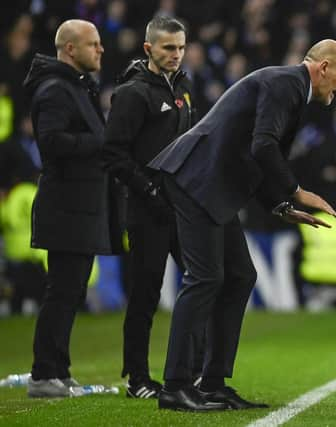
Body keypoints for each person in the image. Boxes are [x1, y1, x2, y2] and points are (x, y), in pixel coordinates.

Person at [147, 39, 336, 412]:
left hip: (211, 185)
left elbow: (254, 156)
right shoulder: (285, 85)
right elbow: (262, 148)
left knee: (240, 275)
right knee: (205, 278)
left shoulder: (290, 89)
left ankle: (211, 383)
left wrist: (279, 205)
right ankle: (175, 385)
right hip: (196, 179)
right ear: (323, 67)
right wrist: (296, 190)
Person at [22, 19, 124, 398]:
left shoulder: (75, 88)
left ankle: (57, 373)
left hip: (80, 207)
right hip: (66, 207)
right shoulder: (54, 90)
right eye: (92, 44)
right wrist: (100, 142)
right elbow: (50, 143)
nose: (100, 50)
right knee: (62, 291)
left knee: (70, 291)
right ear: (69, 49)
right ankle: (44, 374)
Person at [103, 16, 198, 399]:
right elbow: (113, 154)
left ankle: (195, 373)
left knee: (200, 283)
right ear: (149, 49)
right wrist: (148, 190)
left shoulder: (183, 86)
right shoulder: (133, 93)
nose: (176, 55)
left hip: (181, 205)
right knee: (146, 294)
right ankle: (137, 378)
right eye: (168, 48)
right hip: (147, 208)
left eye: (180, 47)